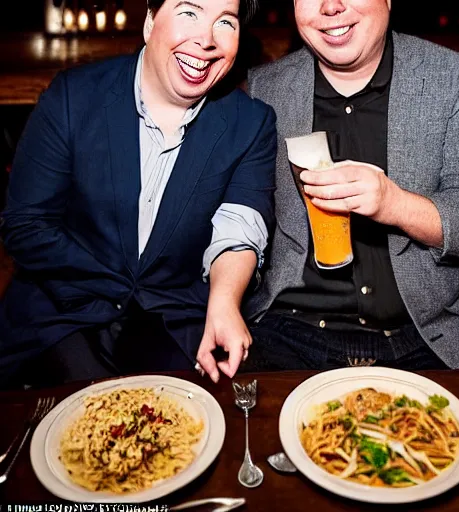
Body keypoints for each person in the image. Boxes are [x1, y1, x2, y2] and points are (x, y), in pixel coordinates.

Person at [0, 0, 276, 388]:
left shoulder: (250, 123)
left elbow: (239, 225)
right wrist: (118, 285)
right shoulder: (72, 97)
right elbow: (25, 224)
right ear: (150, 22)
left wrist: (225, 302)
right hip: (64, 310)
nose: (206, 39)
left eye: (225, 22)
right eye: (189, 13)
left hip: (173, 318)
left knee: (186, 425)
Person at [243, 0, 459, 371]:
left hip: (428, 333)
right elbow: (240, 217)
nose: (331, 6)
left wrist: (395, 204)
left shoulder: (449, 76)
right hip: (291, 331)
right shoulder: (266, 88)